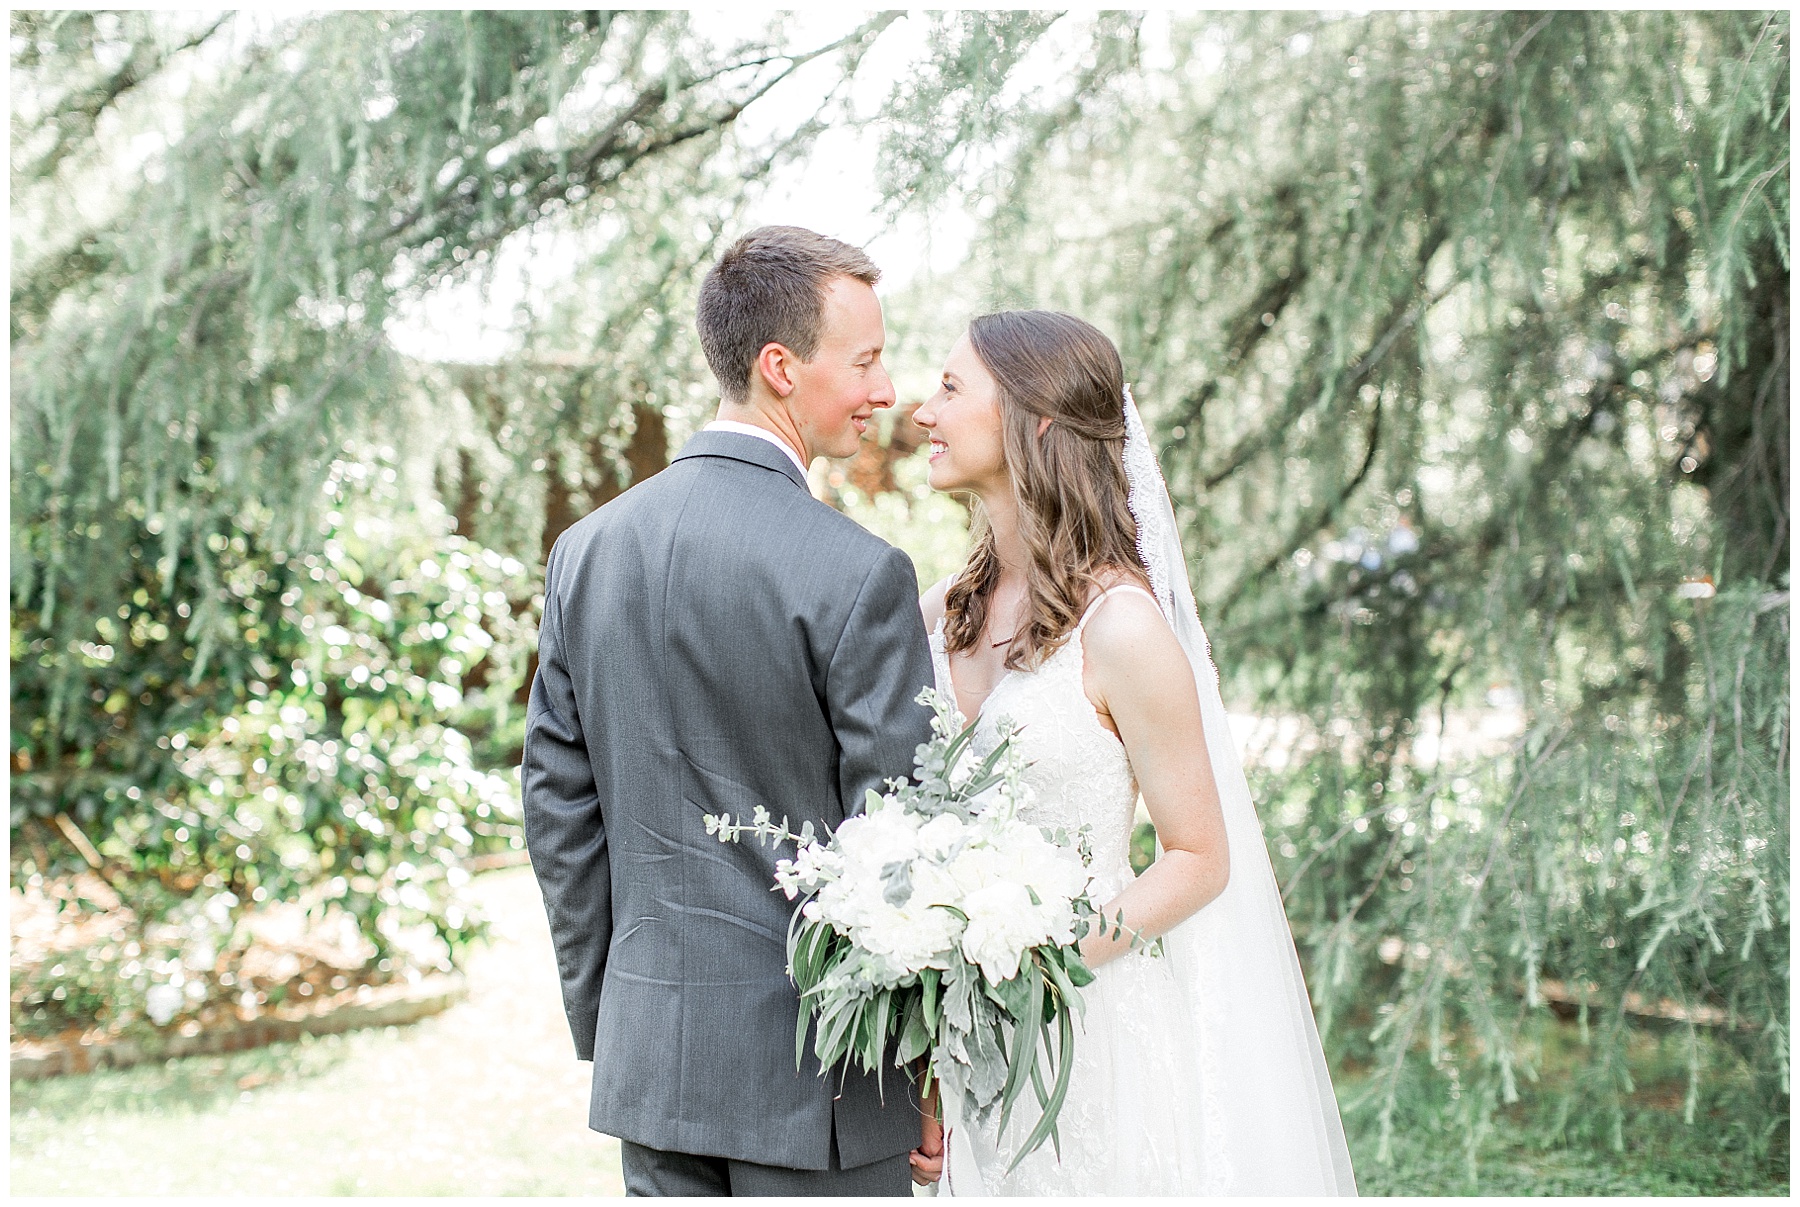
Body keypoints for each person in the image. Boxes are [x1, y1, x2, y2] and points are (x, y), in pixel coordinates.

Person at [522, 226, 941, 1196]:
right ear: (781, 367)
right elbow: (901, 843)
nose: (887, 391)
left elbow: (557, 810)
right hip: (825, 1089)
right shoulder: (859, 574)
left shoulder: (586, 551)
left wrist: (614, 1016)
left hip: (654, 1068)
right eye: (868, 360)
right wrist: (917, 1064)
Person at [910, 310, 1358, 1195]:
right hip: (958, 1041)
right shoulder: (938, 611)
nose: (923, 411)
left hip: (1087, 1030)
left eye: (952, 387)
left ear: (1034, 421)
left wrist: (1046, 966)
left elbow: (1198, 856)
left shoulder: (1122, 627)